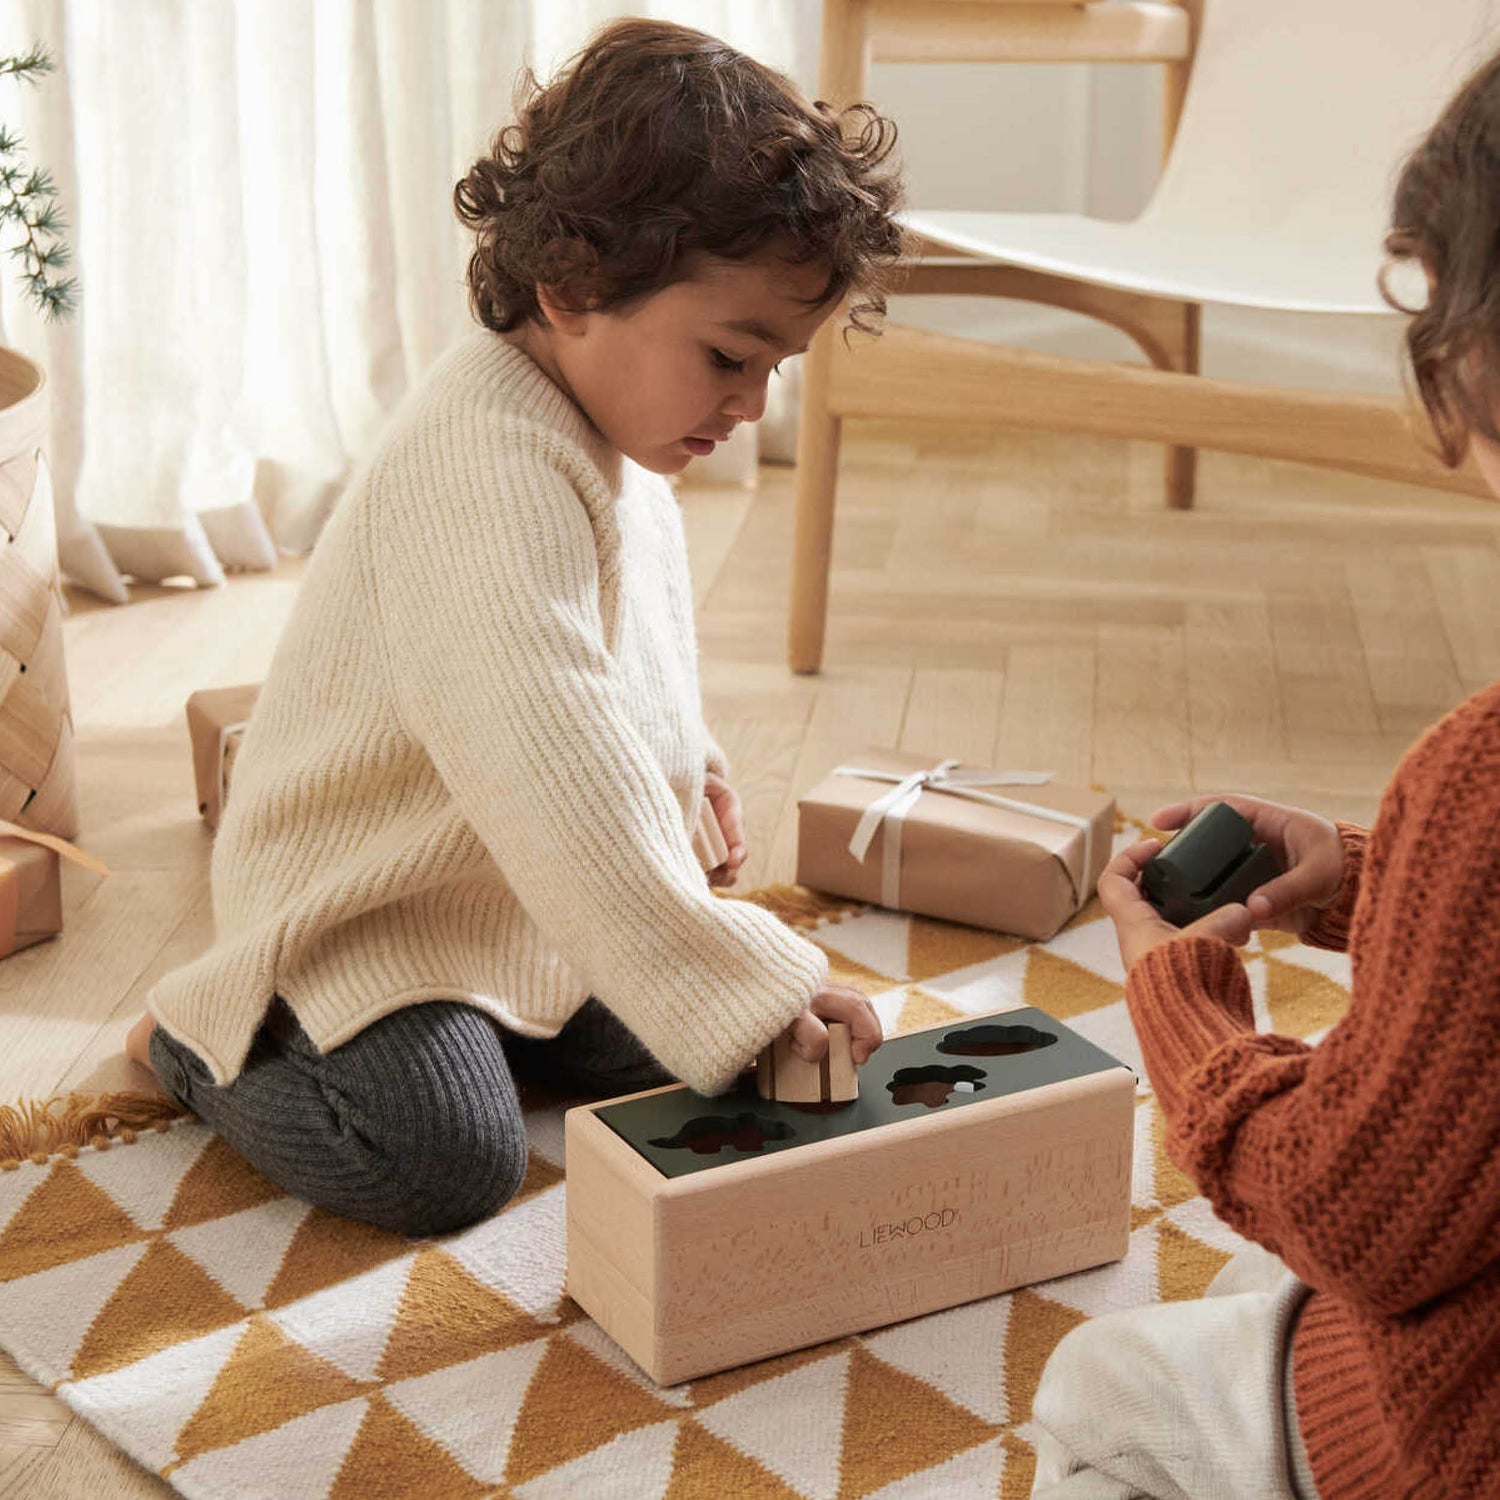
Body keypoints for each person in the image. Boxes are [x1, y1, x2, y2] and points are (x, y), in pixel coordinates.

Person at [124, 19, 903, 1238]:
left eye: (777, 371)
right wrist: (741, 984)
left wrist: (688, 769)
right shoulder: (483, 463)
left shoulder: (616, 425)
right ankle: (197, 1041)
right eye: (730, 356)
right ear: (574, 288)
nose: (752, 404)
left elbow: (624, 656)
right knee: (444, 1159)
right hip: (365, 911)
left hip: (513, 895)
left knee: (684, 1040)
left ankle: (521, 1015)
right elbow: (550, 757)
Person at [1028, 48, 1500, 1500]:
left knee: (1097, 1377)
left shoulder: (1483, 781)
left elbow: (1362, 1213)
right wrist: (1375, 881)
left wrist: (1183, 1009)